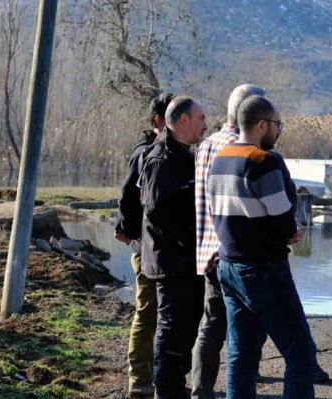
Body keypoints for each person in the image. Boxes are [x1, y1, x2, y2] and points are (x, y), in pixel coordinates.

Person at [192, 85, 329, 399]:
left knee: (241, 354)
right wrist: (291, 231)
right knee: (299, 354)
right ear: (261, 125)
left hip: (228, 266)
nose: (279, 132)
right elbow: (283, 217)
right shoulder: (261, 160)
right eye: (278, 125)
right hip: (264, 268)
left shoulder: (220, 158)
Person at [138, 96, 208, 399]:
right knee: (171, 328)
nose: (205, 124)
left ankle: (174, 384)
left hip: (185, 259)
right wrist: (186, 238)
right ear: (183, 121)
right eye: (201, 118)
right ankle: (166, 391)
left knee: (187, 325)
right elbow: (156, 209)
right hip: (171, 259)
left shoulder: (182, 154)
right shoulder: (161, 158)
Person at [115, 92, 175, 398]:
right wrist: (128, 231)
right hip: (147, 248)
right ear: (159, 121)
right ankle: (139, 380)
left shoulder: (170, 150)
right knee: (147, 312)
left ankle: (155, 375)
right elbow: (126, 196)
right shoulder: (146, 152)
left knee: (161, 313)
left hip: (162, 249)